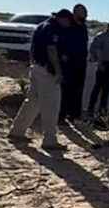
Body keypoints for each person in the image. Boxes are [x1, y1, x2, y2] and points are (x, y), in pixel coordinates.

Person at [8, 9, 72, 151]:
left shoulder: (42, 26)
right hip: (47, 71)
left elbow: (33, 47)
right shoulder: (53, 28)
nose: (69, 24)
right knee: (51, 105)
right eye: (69, 21)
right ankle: (50, 140)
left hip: (37, 67)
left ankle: (17, 131)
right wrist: (58, 71)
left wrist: (33, 63)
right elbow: (51, 50)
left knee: (33, 101)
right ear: (64, 19)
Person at [58, 3, 90, 123]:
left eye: (85, 12)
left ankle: (75, 115)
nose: (84, 15)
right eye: (82, 12)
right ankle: (61, 115)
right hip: (68, 62)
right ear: (75, 13)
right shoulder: (68, 25)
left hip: (81, 62)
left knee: (78, 89)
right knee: (66, 89)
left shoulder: (84, 27)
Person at [87, 20, 109, 116]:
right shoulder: (101, 37)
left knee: (107, 89)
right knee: (97, 88)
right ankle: (90, 108)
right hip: (103, 64)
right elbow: (93, 49)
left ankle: (102, 109)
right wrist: (99, 61)